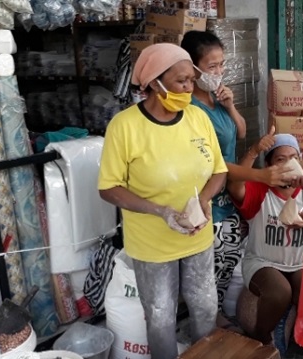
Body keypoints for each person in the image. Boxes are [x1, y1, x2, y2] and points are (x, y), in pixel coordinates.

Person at [97, 43, 228, 359]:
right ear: (155, 83)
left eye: (191, 80)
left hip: (197, 236)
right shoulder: (125, 126)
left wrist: (205, 200)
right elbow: (108, 188)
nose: (189, 87)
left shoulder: (197, 117)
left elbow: (218, 171)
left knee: (205, 305)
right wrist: (160, 211)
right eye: (181, 81)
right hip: (152, 244)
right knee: (159, 314)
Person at [180, 30, 293, 329]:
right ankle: (205, 325)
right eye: (212, 66)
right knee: (208, 271)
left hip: (228, 199)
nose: (218, 72)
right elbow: (215, 165)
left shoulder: (217, 100)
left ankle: (214, 317)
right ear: (192, 68)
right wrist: (260, 174)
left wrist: (230, 105)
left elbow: (240, 132)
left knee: (225, 265)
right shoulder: (190, 110)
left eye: (221, 64)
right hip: (208, 202)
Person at [228, 134, 303, 358]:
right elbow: (235, 185)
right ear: (268, 166)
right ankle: (261, 338)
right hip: (263, 262)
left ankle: (300, 340)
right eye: (280, 160)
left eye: (294, 158)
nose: (288, 165)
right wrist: (253, 151)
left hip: (299, 263)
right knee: (279, 292)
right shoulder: (259, 190)